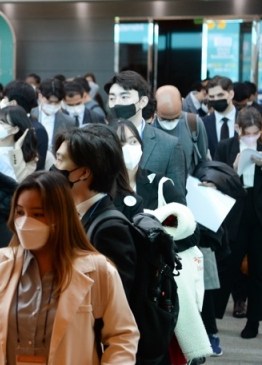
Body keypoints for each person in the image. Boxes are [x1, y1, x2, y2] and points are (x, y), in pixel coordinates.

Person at [0, 171, 139, 365]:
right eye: (20, 212)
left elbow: (122, 337)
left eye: (38, 214)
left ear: (60, 216)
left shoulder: (98, 271)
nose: (25, 222)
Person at [114, 119, 213, 363]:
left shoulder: (160, 184)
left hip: (158, 285)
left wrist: (159, 245)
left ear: (142, 145)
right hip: (120, 284)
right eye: (119, 142)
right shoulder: (102, 190)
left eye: (133, 141)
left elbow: (191, 231)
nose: (127, 147)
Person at [52, 127, 137, 295]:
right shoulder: (68, 212)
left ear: (83, 172)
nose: (54, 167)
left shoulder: (110, 229)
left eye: (60, 160)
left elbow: (113, 297)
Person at [213, 107, 262, 340]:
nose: (252, 138)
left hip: (259, 214)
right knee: (228, 265)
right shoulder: (225, 147)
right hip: (235, 213)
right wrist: (232, 170)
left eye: (256, 133)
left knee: (258, 270)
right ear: (237, 130)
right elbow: (215, 179)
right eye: (247, 133)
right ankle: (212, 316)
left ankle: (253, 321)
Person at [105, 70, 186, 195]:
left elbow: (177, 200)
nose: (116, 103)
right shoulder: (99, 139)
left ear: (142, 102)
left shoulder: (169, 145)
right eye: (112, 98)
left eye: (124, 97)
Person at [154, 85, 209, 175]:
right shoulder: (148, 126)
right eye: (164, 119)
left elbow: (202, 160)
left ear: (182, 103)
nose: (171, 122)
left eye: (176, 117)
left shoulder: (193, 123)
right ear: (155, 107)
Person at [1, 80, 49, 170]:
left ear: (13, 103)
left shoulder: (37, 130)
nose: (2, 102)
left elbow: (38, 168)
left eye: (5, 99)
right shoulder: (1, 125)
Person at [0, 105, 39, 181]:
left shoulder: (29, 155)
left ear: (14, 129)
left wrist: (17, 150)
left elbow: (22, 180)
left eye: (1, 123)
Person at [31, 78, 76, 156]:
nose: (53, 105)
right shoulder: (30, 114)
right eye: (49, 102)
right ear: (40, 96)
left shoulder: (69, 121)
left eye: (57, 102)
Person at [202, 75, 239, 158]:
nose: (216, 99)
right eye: (212, 97)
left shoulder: (244, 120)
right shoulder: (203, 123)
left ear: (231, 94)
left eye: (220, 95)